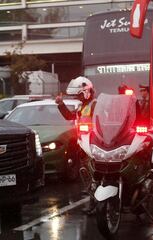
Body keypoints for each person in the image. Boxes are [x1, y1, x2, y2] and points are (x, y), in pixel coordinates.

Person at [55, 76, 97, 215]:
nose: (78, 97)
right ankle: (95, 203)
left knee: (94, 176)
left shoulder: (95, 104)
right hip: (84, 145)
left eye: (79, 94)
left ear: (87, 91)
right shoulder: (82, 106)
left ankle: (95, 205)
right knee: (88, 175)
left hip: (95, 145)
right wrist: (60, 104)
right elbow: (69, 117)